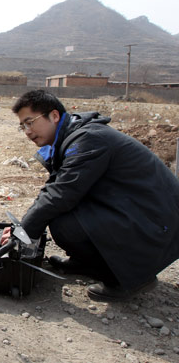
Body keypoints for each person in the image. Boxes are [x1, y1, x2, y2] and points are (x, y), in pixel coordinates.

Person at [9, 90, 179, 302]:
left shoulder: (88, 139)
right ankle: (88, 264)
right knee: (64, 213)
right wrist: (22, 227)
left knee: (66, 226)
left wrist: (24, 232)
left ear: (54, 115)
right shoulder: (74, 137)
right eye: (22, 126)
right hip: (143, 213)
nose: (27, 131)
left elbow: (61, 193)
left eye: (30, 122)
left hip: (157, 223)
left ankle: (130, 278)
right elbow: (56, 187)